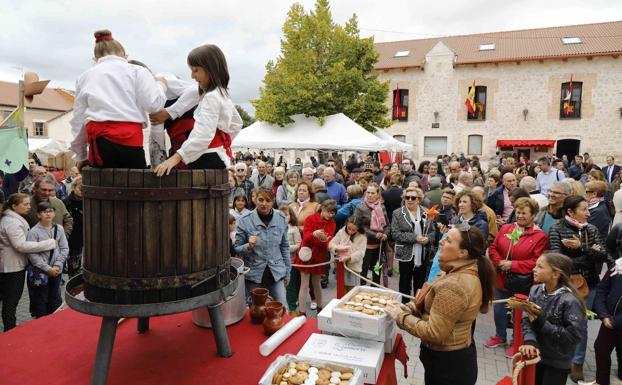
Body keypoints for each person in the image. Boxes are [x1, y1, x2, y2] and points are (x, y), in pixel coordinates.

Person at [384, 225, 495, 385]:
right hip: (451, 361)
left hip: (449, 366)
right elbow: (438, 310)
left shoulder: (455, 285)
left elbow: (434, 332)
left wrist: (401, 316)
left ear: (463, 253)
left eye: (449, 240)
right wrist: (412, 308)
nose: (441, 241)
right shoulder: (458, 270)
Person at [70, 29, 167, 169]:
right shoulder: (138, 71)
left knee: (103, 186)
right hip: (130, 138)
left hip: (100, 140)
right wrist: (160, 85)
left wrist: (81, 155)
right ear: (124, 54)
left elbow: (79, 118)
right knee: (134, 184)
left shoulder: (85, 76)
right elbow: (153, 105)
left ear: (95, 58)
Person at [155, 44, 242, 174]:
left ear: (210, 69)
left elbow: (203, 136)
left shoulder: (211, 97)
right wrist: (220, 145)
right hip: (217, 157)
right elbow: (236, 124)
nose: (192, 76)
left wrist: (176, 158)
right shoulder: (222, 94)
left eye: (195, 70)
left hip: (206, 158)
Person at [549, 195, 608, 382]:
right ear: (570, 211)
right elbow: (559, 261)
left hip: (589, 285)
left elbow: (604, 256)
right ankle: (559, 359)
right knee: (560, 323)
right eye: (584, 209)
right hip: (564, 285)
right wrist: (591, 253)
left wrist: (580, 247)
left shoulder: (591, 229)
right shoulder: (556, 229)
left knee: (580, 325)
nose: (589, 213)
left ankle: (578, 363)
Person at [486, 198, 549, 357]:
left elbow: (536, 261)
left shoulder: (540, 236)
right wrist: (499, 261)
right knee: (499, 309)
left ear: (533, 215)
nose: (520, 216)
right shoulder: (507, 228)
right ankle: (500, 336)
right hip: (501, 278)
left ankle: (516, 341)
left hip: (522, 282)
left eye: (524, 213)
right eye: (518, 212)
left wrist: (512, 265)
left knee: (518, 313)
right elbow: (493, 248)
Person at [519, 253, 587, 385]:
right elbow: (526, 317)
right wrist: (530, 340)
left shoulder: (570, 301)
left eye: (540, 267)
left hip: (557, 362)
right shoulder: (535, 290)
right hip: (536, 354)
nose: (534, 269)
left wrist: (542, 323)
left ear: (555, 274)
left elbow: (574, 336)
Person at [0, 194, 56, 331]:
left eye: (29, 204)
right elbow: (20, 245)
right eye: (25, 204)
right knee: (11, 301)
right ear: (14, 206)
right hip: (11, 268)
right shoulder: (12, 222)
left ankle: (10, 327)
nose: (29, 207)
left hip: (13, 265)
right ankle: (10, 329)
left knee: (10, 301)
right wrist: (48, 243)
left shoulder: (13, 219)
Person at [234, 187, 290, 306]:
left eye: (268, 200)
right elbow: (237, 248)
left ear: (273, 201)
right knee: (255, 309)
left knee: (281, 307)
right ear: (255, 200)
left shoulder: (281, 218)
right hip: (254, 273)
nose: (264, 204)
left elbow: (284, 247)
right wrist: (248, 246)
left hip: (276, 271)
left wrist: (287, 272)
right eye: (261, 200)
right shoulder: (244, 220)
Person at [391, 187, 436, 303]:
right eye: (407, 197)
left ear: (419, 200)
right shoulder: (397, 213)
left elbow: (432, 232)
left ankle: (417, 306)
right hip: (405, 253)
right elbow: (395, 234)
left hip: (422, 253)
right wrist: (415, 238)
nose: (410, 200)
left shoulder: (427, 212)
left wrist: (428, 239)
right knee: (404, 282)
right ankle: (404, 306)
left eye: (413, 198)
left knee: (420, 282)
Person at [293, 199, 337, 314]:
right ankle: (302, 312)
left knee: (316, 283)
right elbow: (306, 239)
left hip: (319, 256)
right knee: (304, 284)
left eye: (333, 213)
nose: (330, 215)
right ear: (322, 209)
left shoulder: (332, 223)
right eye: (328, 212)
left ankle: (320, 307)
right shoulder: (311, 219)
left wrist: (325, 242)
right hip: (306, 255)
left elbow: (327, 242)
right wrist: (314, 234)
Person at [26, 202, 69, 318]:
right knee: (41, 300)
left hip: (56, 271)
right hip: (40, 272)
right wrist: (47, 268)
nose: (48, 214)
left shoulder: (58, 229)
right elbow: (32, 254)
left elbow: (64, 248)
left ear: (54, 213)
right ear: (39, 215)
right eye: (44, 212)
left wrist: (57, 265)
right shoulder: (33, 232)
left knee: (55, 299)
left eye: (50, 211)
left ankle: (53, 323)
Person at [355, 183, 390, 284]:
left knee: (377, 270)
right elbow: (357, 226)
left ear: (378, 195)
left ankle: (375, 288)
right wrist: (375, 234)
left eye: (372, 193)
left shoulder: (381, 206)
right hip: (365, 245)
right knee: (363, 271)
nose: (369, 195)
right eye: (368, 192)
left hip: (379, 245)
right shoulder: (360, 207)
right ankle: (362, 289)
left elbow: (387, 225)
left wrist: (385, 234)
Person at [329, 215, 367, 293]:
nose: (350, 231)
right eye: (349, 228)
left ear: (358, 229)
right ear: (346, 224)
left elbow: (361, 252)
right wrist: (337, 248)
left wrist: (350, 257)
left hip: (353, 268)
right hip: (341, 266)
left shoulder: (362, 237)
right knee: (341, 289)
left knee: (352, 291)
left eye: (353, 230)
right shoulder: (341, 232)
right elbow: (331, 244)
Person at [279, 204, 301, 316]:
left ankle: (293, 309)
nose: (284, 217)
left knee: (291, 286)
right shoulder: (276, 228)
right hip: (278, 263)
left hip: (291, 263)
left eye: (286, 215)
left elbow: (298, 244)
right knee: (279, 287)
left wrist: (286, 248)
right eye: (281, 215)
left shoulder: (294, 229)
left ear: (290, 216)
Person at [63, 176, 83, 278]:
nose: (83, 191)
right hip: (73, 237)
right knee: (74, 264)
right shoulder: (66, 202)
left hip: (86, 236)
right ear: (74, 187)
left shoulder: (88, 201)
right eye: (81, 188)